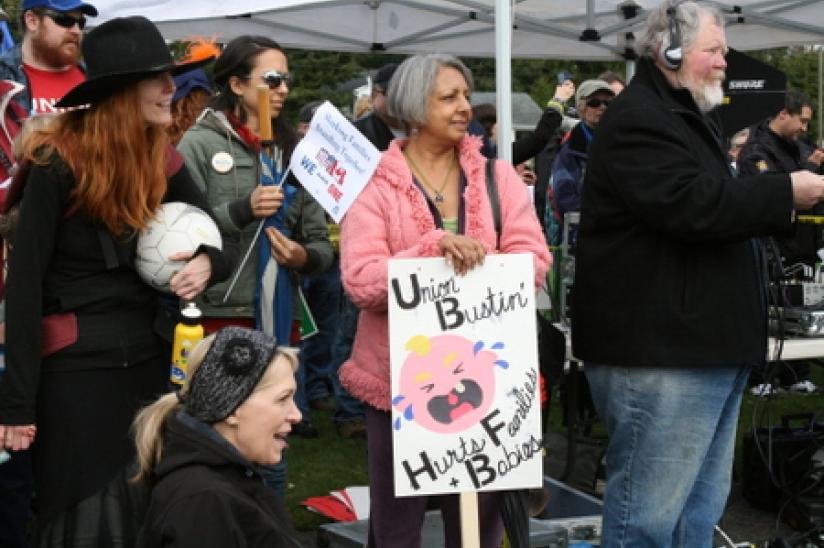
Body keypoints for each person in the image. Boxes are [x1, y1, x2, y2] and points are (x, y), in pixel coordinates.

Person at [571, 2, 824, 547]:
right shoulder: (642, 118)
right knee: (648, 520)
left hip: (698, 347)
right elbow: (694, 205)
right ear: (670, 53)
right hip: (661, 352)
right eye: (713, 51)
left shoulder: (683, 115)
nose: (723, 63)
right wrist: (785, 189)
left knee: (695, 513)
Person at [0, 15, 235, 547]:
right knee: (79, 516)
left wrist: (206, 261)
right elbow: (25, 287)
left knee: (141, 506)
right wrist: (15, 404)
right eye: (157, 78)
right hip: (74, 374)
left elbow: (217, 238)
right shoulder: (54, 160)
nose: (170, 89)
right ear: (123, 90)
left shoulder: (162, 155)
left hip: (149, 363)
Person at [339, 53, 551, 548]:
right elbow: (361, 280)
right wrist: (433, 249)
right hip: (398, 384)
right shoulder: (375, 183)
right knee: (395, 527)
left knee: (482, 523)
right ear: (415, 104)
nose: (464, 108)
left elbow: (535, 260)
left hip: (488, 382)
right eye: (449, 97)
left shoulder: (498, 177)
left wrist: (484, 263)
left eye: (464, 96)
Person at [177, 35, 333, 485]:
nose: (283, 88)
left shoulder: (295, 155)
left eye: (287, 79)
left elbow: (322, 248)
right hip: (218, 316)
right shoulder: (200, 144)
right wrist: (242, 210)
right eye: (272, 78)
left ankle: (269, 523)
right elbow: (180, 232)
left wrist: (304, 256)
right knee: (217, 435)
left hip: (278, 317)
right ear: (237, 85)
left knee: (272, 441)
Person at [133, 326, 302, 548]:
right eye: (282, 399)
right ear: (232, 409)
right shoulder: (203, 502)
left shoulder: (229, 479)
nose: (296, 415)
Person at [738, 91, 823, 394]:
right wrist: (810, 171)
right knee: (767, 311)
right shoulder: (756, 150)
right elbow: (771, 190)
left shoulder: (800, 146)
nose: (805, 128)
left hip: (802, 244)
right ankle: (760, 375)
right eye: (802, 120)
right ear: (783, 114)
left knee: (799, 308)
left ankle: (795, 373)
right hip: (770, 245)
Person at [0, 0, 97, 114]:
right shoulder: (4, 80)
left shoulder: (95, 77)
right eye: (64, 20)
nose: (77, 31)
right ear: (32, 21)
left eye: (81, 22)